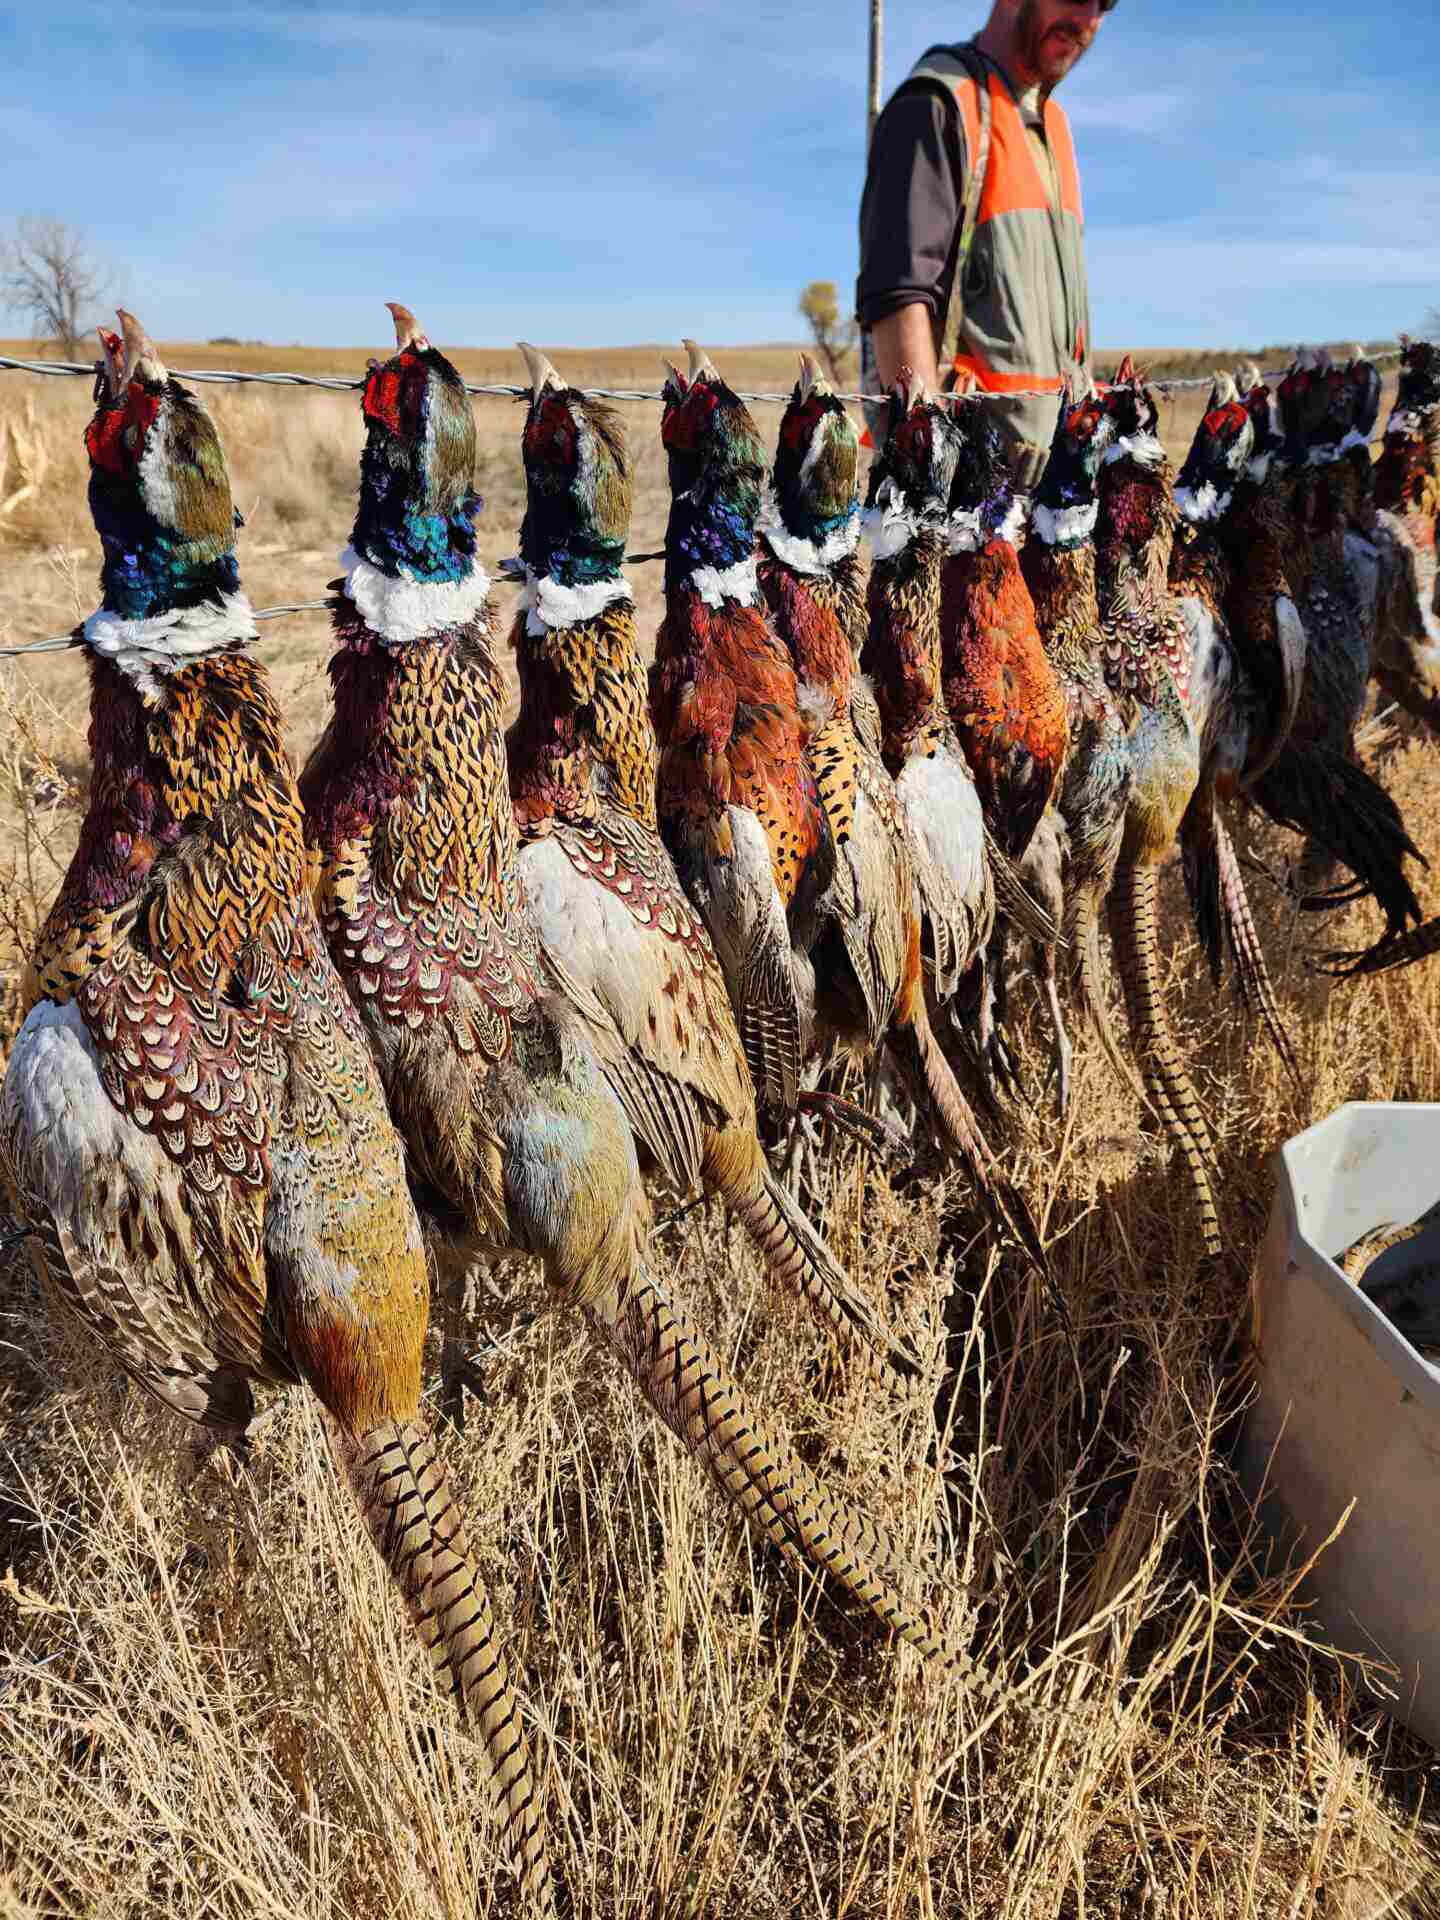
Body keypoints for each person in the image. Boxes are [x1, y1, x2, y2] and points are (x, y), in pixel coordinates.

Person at [857, 0, 1111, 485]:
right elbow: (898, 297)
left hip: (1058, 496)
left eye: (1107, 4)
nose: (1089, 19)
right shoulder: (938, 102)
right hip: (972, 504)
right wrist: (927, 480)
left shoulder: (1053, 126)